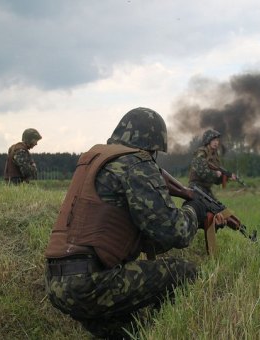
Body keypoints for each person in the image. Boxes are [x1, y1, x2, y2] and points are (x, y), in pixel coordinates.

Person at [44, 107, 208, 339]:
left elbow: (148, 238)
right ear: (153, 147)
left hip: (57, 283)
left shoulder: (96, 160)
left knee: (128, 333)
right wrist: (195, 211)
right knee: (185, 273)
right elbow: (175, 232)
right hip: (91, 282)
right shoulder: (136, 163)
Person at [188, 129, 236, 199]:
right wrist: (215, 173)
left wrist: (227, 177)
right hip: (196, 187)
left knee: (218, 207)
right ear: (208, 140)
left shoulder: (215, 156)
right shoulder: (201, 153)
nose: (216, 142)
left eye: (217, 140)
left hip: (206, 188)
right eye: (213, 140)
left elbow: (215, 180)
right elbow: (202, 172)